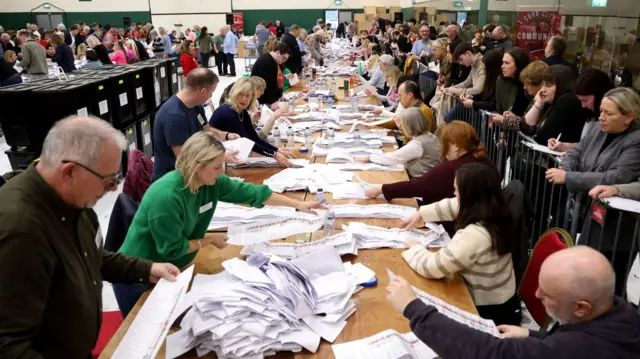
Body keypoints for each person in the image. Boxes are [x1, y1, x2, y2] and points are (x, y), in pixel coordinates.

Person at [0, 116, 181, 357]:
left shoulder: (71, 200)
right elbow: (10, 345)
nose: (114, 188)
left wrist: (146, 269)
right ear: (69, 172)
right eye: (107, 180)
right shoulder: (19, 230)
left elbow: (90, 256)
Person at [115, 131, 323, 315]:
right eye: (216, 167)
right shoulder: (167, 196)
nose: (222, 172)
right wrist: (209, 239)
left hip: (174, 270)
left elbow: (254, 194)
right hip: (139, 277)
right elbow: (172, 248)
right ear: (197, 166)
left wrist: (298, 205)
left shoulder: (211, 182)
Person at [388, 245, 640, 358]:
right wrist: (533, 337)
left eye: (548, 294)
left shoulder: (583, 348)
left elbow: (493, 354)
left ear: (581, 307)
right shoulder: (616, 311)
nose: (537, 295)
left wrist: (415, 310)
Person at [398, 162, 520, 325]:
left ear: (469, 196)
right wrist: (422, 213)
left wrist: (416, 249)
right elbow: (453, 205)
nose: (454, 194)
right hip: (504, 300)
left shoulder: (475, 236)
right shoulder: (495, 210)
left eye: (456, 191)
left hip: (488, 312)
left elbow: (433, 267)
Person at [368, 119, 497, 204]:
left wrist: (382, 189)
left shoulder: (451, 168)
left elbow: (418, 186)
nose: (443, 149)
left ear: (456, 146)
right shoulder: (487, 163)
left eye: (445, 144)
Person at [546, 87, 640, 192]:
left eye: (609, 114)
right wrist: (564, 168)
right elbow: (577, 151)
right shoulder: (597, 127)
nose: (601, 117)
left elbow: (618, 177)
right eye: (601, 111)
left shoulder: (636, 140)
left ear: (628, 117)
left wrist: (568, 177)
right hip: (579, 201)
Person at [152, 68, 239, 182]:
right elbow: (184, 159)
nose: (211, 96)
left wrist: (227, 135)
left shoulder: (195, 105)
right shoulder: (174, 116)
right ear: (203, 91)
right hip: (173, 179)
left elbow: (207, 130)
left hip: (194, 171)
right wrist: (220, 158)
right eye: (211, 93)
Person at [209, 77, 295, 167]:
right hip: (215, 159)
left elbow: (255, 138)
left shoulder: (242, 112)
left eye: (248, 96)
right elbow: (248, 142)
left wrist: (277, 150)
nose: (244, 99)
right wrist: (274, 154)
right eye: (241, 94)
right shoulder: (228, 113)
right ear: (234, 93)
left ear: (252, 97)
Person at [358, 108, 441, 178]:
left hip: (418, 181)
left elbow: (393, 158)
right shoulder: (430, 136)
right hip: (428, 178)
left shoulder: (417, 144)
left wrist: (370, 157)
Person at [548, 69, 614, 153]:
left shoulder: (608, 122)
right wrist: (564, 146)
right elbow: (586, 145)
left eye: (585, 100)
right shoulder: (590, 116)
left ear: (599, 95)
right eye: (581, 101)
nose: (583, 106)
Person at [525, 65, 585, 145]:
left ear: (562, 85)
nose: (542, 90)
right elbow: (526, 125)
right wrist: (539, 102)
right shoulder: (552, 101)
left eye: (548, 85)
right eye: (543, 85)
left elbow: (542, 137)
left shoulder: (567, 102)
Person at [471, 48, 531, 119]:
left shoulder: (528, 84)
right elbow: (497, 105)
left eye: (507, 63)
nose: (502, 66)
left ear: (518, 65)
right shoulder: (501, 80)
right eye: (503, 62)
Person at [493, 60, 549, 132]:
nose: (524, 87)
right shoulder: (535, 99)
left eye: (527, 83)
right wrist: (515, 118)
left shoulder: (544, 102)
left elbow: (528, 126)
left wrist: (503, 120)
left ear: (539, 84)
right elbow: (526, 121)